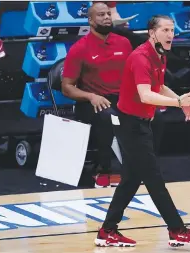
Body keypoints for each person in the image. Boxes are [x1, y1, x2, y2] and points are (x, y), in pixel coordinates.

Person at [94, 15, 190, 247]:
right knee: (154, 179)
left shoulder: (159, 54)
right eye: (165, 30)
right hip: (129, 124)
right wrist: (178, 104)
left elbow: (159, 86)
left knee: (131, 180)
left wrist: (179, 100)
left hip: (139, 123)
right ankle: (177, 230)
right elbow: (146, 94)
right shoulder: (140, 57)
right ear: (151, 32)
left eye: (172, 30)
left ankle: (107, 231)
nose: (170, 35)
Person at [61, 2, 132, 188]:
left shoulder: (124, 43)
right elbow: (67, 87)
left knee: (156, 116)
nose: (107, 17)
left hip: (122, 99)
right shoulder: (79, 48)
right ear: (90, 21)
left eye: (108, 14)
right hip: (93, 102)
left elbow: (134, 74)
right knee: (107, 117)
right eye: (101, 15)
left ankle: (142, 167)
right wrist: (91, 96)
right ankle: (103, 170)